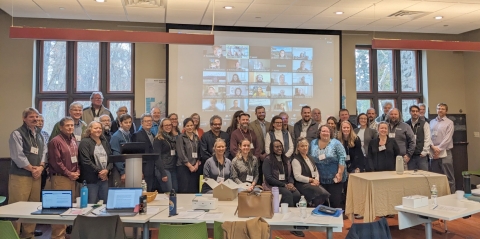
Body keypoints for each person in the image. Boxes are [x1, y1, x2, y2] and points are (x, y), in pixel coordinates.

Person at [8, 108, 46, 239]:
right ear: (24, 118)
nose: (35, 119)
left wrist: (40, 167)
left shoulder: (40, 135)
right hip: (20, 176)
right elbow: (18, 155)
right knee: (17, 207)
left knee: (33, 207)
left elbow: (44, 153)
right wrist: (32, 169)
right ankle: (14, 235)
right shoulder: (17, 134)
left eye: (36, 117)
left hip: (36, 176)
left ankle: (28, 235)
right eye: (31, 117)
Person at [48, 117, 79, 239]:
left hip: (72, 178)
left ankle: (64, 234)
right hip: (61, 178)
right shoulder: (55, 141)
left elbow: (76, 159)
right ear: (61, 127)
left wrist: (77, 171)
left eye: (72, 125)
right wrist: (69, 173)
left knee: (69, 209)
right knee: (59, 209)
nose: (70, 127)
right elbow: (56, 162)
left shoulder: (73, 140)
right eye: (67, 125)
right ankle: (57, 236)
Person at [309, 125, 347, 209]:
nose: (325, 133)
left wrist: (340, 173)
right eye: (323, 131)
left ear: (330, 133)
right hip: (319, 178)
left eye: (327, 131)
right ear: (319, 132)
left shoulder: (336, 143)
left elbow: (342, 158)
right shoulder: (313, 143)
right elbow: (309, 157)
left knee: (334, 202)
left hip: (334, 177)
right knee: (321, 204)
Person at [78, 121, 112, 204]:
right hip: (91, 180)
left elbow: (111, 158)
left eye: (100, 128)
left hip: (104, 179)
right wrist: (100, 172)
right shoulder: (85, 142)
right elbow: (85, 161)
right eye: (95, 128)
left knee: (105, 203)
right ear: (90, 130)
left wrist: (107, 170)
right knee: (91, 203)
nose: (98, 130)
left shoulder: (104, 141)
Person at [132, 113, 167, 192]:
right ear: (142, 123)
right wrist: (139, 170)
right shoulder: (136, 135)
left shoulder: (154, 134)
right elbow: (136, 154)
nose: (149, 123)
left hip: (152, 167)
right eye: (146, 121)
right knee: (143, 191)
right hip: (143, 168)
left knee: (150, 190)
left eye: (150, 121)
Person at [263, 140, 301, 209]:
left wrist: (291, 183)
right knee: (287, 194)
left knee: (297, 194)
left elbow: (291, 175)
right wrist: (284, 185)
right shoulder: (268, 160)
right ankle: (287, 214)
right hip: (273, 185)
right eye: (277, 147)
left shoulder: (286, 159)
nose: (279, 148)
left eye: (280, 146)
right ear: (272, 148)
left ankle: (295, 215)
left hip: (286, 184)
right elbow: (269, 178)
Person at [292, 138, 330, 207]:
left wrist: (316, 180)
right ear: (298, 148)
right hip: (302, 184)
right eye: (302, 146)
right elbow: (297, 176)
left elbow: (316, 171)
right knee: (321, 193)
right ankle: (314, 208)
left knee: (324, 194)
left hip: (313, 183)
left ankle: (319, 210)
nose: (305, 148)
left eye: (306, 146)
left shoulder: (310, 158)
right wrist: (311, 180)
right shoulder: (296, 160)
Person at [430, 103, 455, 193]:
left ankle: (452, 195)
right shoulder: (432, 122)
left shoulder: (449, 123)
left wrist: (438, 149)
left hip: (445, 152)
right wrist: (433, 148)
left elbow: (447, 138)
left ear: (446, 111)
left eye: (442, 109)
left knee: (448, 176)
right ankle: (438, 195)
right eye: (438, 108)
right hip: (433, 151)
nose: (440, 110)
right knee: (435, 176)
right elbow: (429, 136)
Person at [153, 118, 178, 192]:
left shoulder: (172, 138)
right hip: (163, 169)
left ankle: (173, 204)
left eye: (169, 125)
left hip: (172, 168)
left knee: (175, 190)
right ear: (162, 127)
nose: (168, 127)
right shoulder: (158, 139)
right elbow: (157, 157)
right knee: (168, 192)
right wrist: (163, 173)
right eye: (166, 125)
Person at [176, 118, 201, 193]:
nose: (190, 127)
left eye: (191, 125)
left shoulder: (196, 137)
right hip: (184, 167)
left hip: (195, 167)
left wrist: (196, 164)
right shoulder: (180, 137)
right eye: (187, 126)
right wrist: (189, 166)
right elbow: (181, 153)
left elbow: (199, 151)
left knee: (194, 189)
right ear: (184, 127)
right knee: (184, 189)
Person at [109, 113, 133, 186]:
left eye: (130, 122)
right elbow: (116, 156)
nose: (128, 124)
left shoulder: (128, 135)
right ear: (120, 123)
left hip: (127, 166)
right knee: (120, 189)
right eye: (126, 122)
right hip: (119, 169)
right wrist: (122, 172)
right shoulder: (116, 136)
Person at [405, 105, 431, 171]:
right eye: (413, 111)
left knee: (424, 176)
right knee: (411, 176)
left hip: (421, 155)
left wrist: (424, 152)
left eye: (417, 111)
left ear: (419, 112)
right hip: (410, 156)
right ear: (410, 112)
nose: (415, 113)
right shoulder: (406, 124)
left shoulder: (425, 124)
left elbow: (427, 138)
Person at [37, 114, 50, 191]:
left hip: (44, 166)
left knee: (42, 188)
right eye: (38, 121)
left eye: (42, 121)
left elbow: (47, 150)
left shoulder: (46, 134)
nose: (40, 123)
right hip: (34, 166)